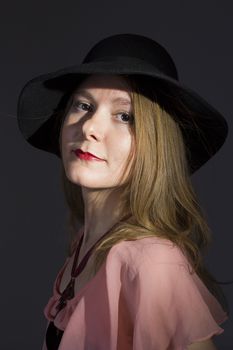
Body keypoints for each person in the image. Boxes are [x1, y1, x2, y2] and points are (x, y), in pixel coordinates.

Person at [17, 33, 229, 350]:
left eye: (124, 115)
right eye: (83, 105)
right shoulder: (87, 243)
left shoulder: (152, 263)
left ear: (156, 143)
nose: (89, 127)